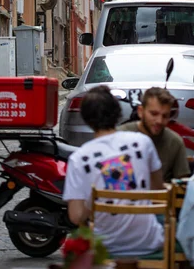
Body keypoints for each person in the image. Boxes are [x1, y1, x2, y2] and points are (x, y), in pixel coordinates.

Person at [63, 85, 164, 256]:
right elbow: (157, 190)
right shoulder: (143, 142)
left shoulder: (79, 159)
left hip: (105, 246)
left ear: (87, 119)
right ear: (118, 113)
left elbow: (76, 216)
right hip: (149, 242)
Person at [119, 87, 190, 182]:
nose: (159, 121)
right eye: (154, 114)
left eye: (165, 116)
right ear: (140, 111)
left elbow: (182, 185)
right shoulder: (120, 136)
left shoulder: (175, 142)